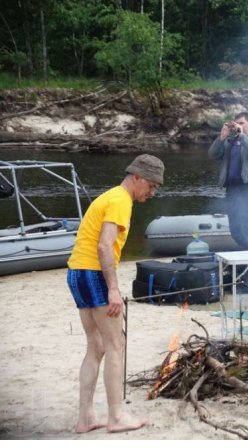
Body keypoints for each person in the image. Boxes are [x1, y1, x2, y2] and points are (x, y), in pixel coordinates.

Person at [67, 154, 164, 433]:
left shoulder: (110, 196)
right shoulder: (121, 201)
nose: (153, 191)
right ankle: (117, 417)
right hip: (93, 273)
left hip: (77, 272)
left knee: (95, 346)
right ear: (137, 177)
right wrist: (113, 289)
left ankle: (85, 418)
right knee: (115, 344)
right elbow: (104, 246)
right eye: (152, 185)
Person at [208, 112, 248, 250]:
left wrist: (243, 136)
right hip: (232, 189)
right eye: (236, 123)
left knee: (247, 224)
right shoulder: (229, 142)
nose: (238, 125)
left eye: (241, 123)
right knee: (235, 228)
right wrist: (221, 138)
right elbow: (212, 154)